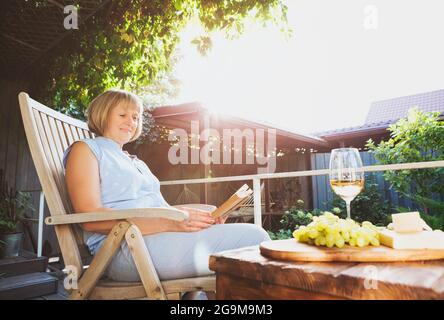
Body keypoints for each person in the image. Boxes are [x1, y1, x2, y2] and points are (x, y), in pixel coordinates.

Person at [63, 89, 271, 285]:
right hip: (122, 248)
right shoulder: (86, 150)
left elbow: (162, 209)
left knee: (223, 222)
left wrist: (207, 214)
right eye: (123, 115)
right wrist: (168, 222)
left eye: (136, 117)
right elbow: (89, 218)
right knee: (255, 237)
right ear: (103, 115)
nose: (131, 122)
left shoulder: (134, 161)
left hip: (154, 239)